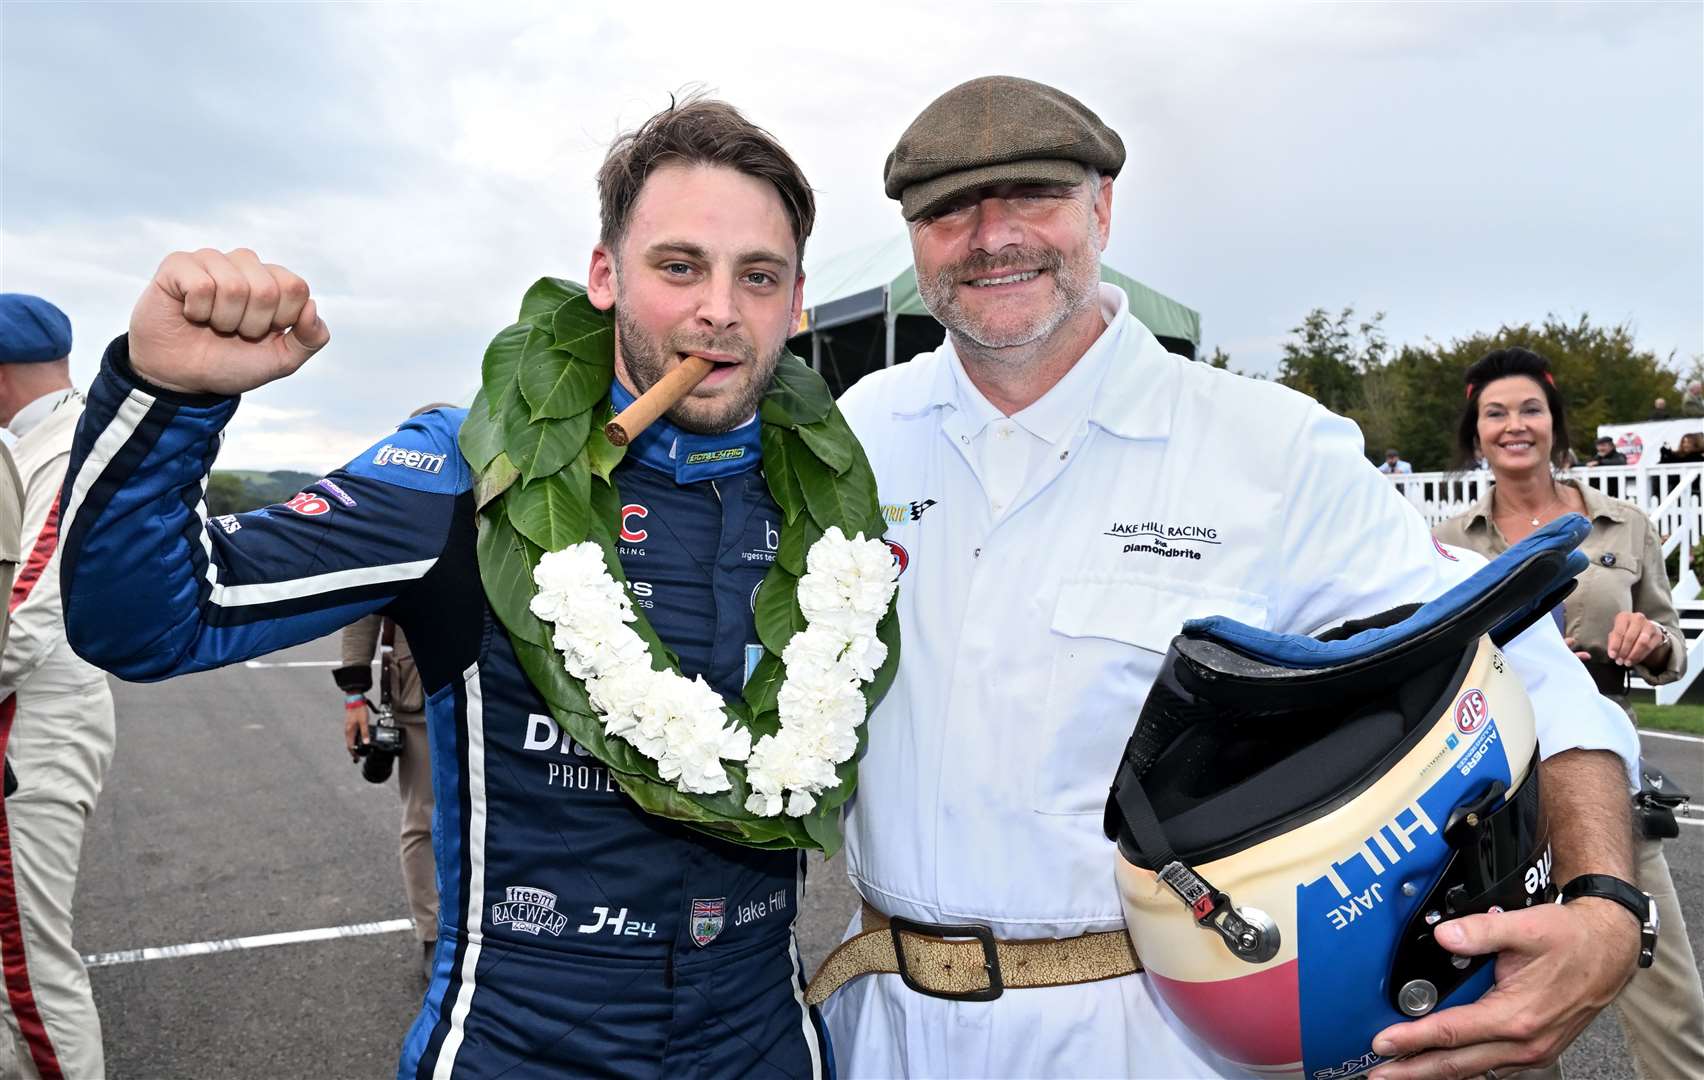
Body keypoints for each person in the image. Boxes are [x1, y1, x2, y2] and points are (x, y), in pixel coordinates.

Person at [817, 75, 1646, 1080]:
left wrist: (1604, 906)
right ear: (913, 237)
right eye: (949, 209)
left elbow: (1523, 664)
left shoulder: (1266, 448)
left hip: (1152, 1038)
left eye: (1032, 195)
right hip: (881, 1035)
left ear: (1102, 210)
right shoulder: (856, 435)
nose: (993, 237)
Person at [58, 99, 834, 1079]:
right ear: (605, 276)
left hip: (766, 1042)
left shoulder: (834, 500)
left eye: (757, 276)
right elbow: (142, 621)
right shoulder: (467, 468)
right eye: (678, 266)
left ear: (795, 298)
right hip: (523, 1045)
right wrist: (170, 396)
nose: (719, 308)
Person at [1432, 346, 1704, 1080]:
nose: (1514, 425)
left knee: (1674, 1017)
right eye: (1496, 413)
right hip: (1496, 813)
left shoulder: (1623, 524)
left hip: (1606, 795)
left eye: (1529, 409)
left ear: (1554, 423)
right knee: (1509, 1035)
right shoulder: (1447, 543)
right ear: (1475, 429)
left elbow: (1671, 643)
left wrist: (1649, 646)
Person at [0, 294, 116, 1080]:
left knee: (29, 971)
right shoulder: (54, 437)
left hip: (31, 720)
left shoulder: (66, 445)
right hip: (38, 711)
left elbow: (30, 613)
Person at [334, 606, 438, 982]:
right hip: (421, 687)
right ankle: (433, 934)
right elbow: (365, 607)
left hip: (500, 691)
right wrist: (354, 696)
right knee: (424, 819)